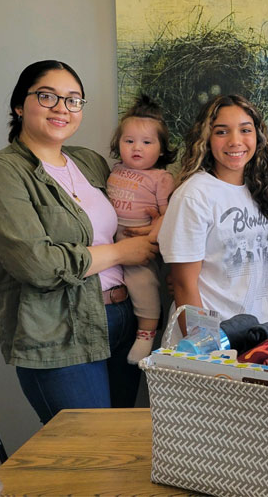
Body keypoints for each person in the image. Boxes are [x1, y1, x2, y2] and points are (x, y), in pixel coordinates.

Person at [0, 60, 158, 424]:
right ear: (18, 105)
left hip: (124, 319)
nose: (62, 108)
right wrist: (122, 252)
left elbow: (137, 208)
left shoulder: (89, 163)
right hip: (61, 332)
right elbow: (38, 265)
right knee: (91, 453)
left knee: (123, 443)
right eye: (48, 96)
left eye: (74, 100)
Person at [158, 94, 268, 337]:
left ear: (258, 136)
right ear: (206, 139)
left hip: (257, 335)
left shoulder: (259, 189)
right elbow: (183, 285)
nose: (236, 141)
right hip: (213, 341)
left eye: (245, 130)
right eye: (222, 132)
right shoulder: (194, 194)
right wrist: (206, 347)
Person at [107, 94, 176, 364]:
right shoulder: (116, 169)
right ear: (118, 144)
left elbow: (169, 213)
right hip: (110, 240)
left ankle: (146, 334)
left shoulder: (161, 178)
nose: (137, 147)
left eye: (147, 142)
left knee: (143, 282)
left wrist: (155, 229)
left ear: (160, 149)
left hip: (140, 240)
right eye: (129, 141)